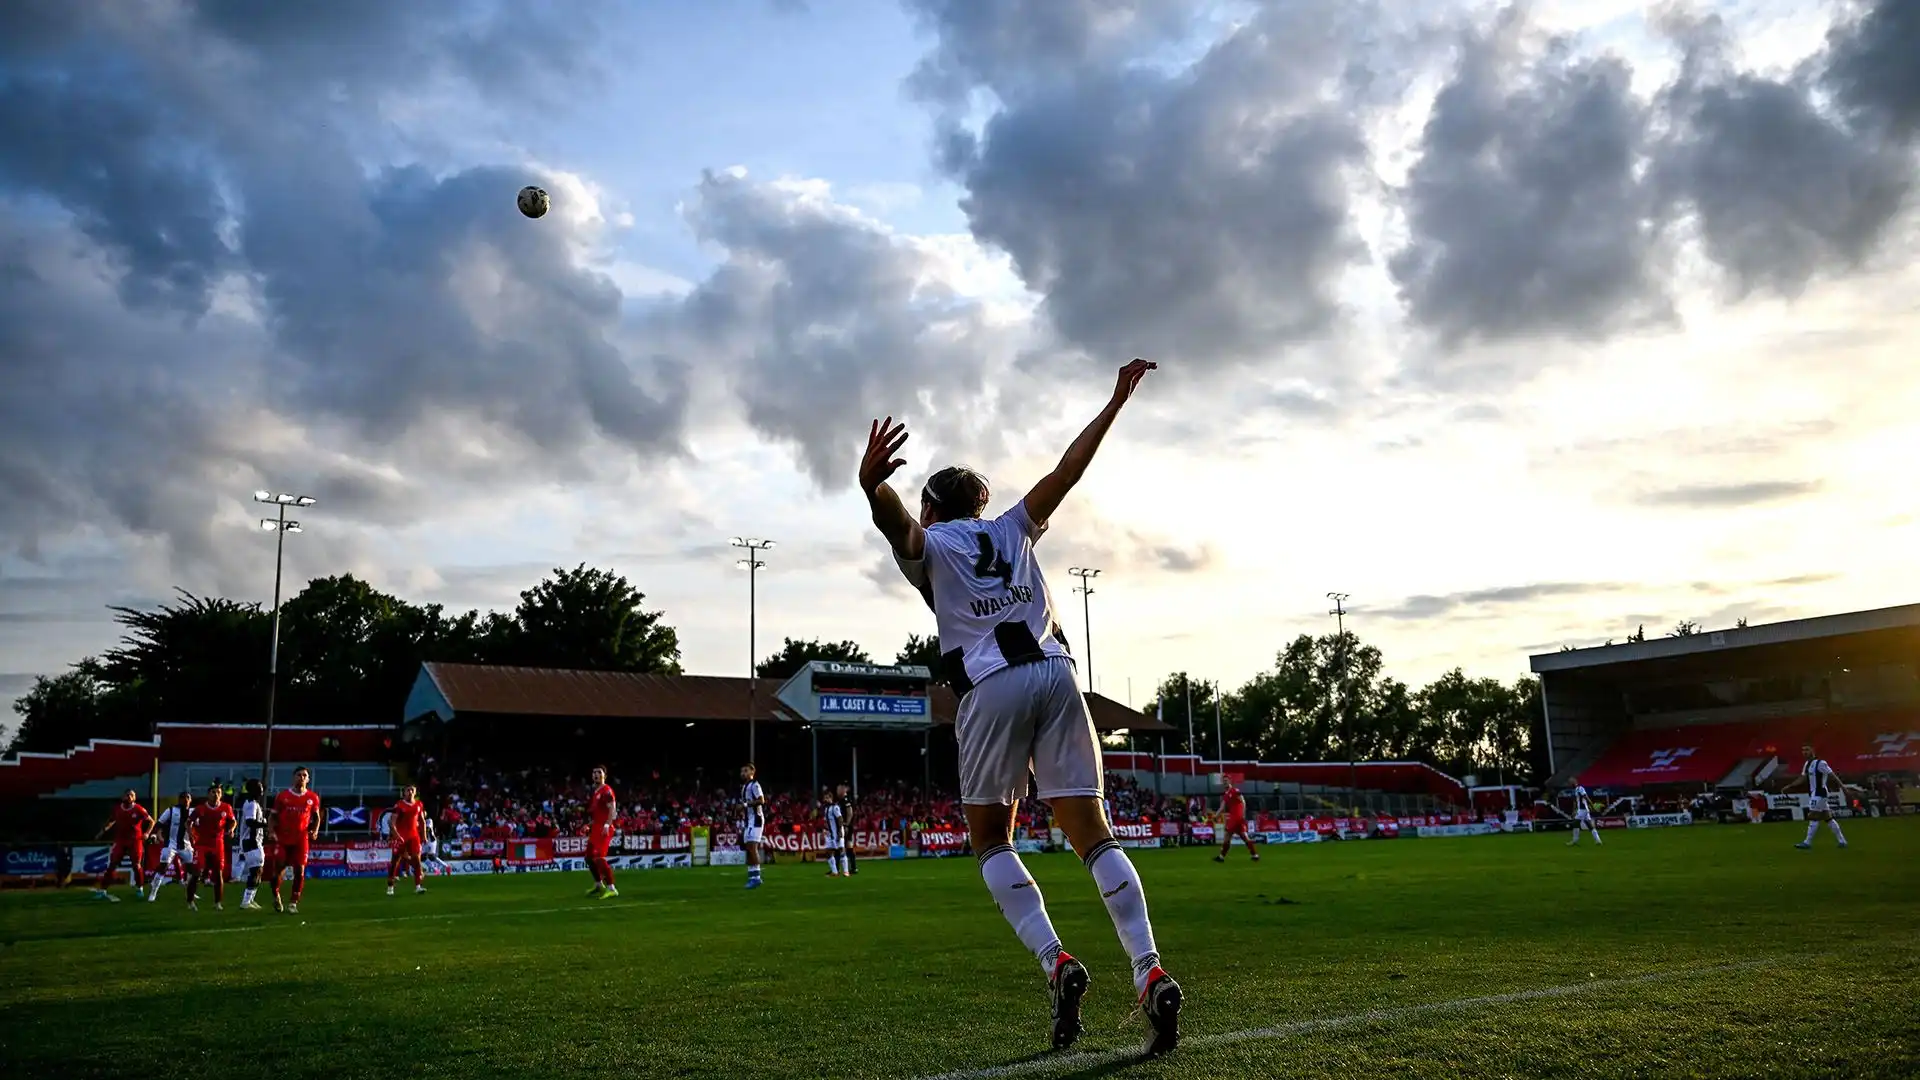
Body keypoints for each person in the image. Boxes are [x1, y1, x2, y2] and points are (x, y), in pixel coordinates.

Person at [859, 358, 1181, 1055]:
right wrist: (1115, 400)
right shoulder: (1012, 527)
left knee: (992, 840)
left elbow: (898, 531)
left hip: (991, 685)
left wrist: (871, 485)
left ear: (933, 507)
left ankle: (1057, 961)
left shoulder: (932, 541)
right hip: (1059, 674)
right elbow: (1067, 473)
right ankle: (1148, 966)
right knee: (1094, 835)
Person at [268, 766, 322, 913]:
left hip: (301, 838)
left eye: (305, 775)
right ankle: (276, 895)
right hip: (283, 837)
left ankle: (293, 902)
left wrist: (315, 830)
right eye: (299, 775)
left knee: (300, 870)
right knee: (278, 870)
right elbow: (273, 816)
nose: (302, 777)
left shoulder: (312, 797)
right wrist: (271, 831)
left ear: (308, 779)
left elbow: (317, 817)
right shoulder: (283, 796)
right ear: (294, 778)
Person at [1786, 743, 1852, 850]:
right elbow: (1802, 778)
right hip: (1814, 793)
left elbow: (1832, 775)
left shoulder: (1821, 763)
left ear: (1813, 750)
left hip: (1819, 793)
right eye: (1803, 750)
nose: (1804, 752)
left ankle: (1807, 842)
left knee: (1813, 816)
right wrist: (1790, 786)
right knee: (1828, 818)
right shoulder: (1807, 764)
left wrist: (1843, 788)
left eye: (1807, 750)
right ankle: (1842, 841)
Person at [95, 788, 153, 901]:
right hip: (121, 840)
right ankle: (103, 890)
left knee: (136, 865)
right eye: (128, 795)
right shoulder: (118, 809)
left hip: (135, 841)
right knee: (112, 865)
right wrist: (102, 831)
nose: (129, 797)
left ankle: (139, 888)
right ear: (123, 797)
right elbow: (111, 820)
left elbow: (151, 821)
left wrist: (146, 833)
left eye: (132, 795)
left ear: (134, 798)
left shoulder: (139, 809)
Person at [186, 783, 236, 911]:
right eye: (213, 792)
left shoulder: (226, 808)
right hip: (202, 843)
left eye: (218, 792)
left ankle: (218, 903)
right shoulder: (200, 809)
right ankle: (190, 901)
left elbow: (232, 821)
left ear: (221, 795)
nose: (216, 794)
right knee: (197, 872)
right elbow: (188, 822)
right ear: (208, 794)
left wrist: (231, 829)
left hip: (217, 843)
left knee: (218, 873)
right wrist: (191, 834)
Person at [147, 791, 197, 901]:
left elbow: (199, 826)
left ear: (191, 800)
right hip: (171, 843)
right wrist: (155, 834)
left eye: (188, 797)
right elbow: (159, 823)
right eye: (183, 798)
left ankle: (190, 892)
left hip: (186, 845)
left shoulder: (194, 812)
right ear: (179, 800)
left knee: (191, 869)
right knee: (163, 867)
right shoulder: (170, 810)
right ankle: (153, 892)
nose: (186, 800)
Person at [386, 784, 428, 896]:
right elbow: (392, 822)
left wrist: (424, 836)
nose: (410, 792)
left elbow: (422, 821)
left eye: (412, 790)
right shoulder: (399, 805)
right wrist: (396, 835)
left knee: (417, 860)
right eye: (407, 790)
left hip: (414, 836)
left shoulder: (419, 804)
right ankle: (390, 887)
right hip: (401, 836)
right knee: (395, 862)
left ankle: (418, 886)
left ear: (415, 792)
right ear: (404, 793)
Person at [584, 766, 619, 899]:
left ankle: (611, 888)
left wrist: (607, 824)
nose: (596, 774)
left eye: (599, 772)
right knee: (588, 857)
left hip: (604, 829)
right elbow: (598, 814)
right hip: (596, 828)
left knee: (599, 858)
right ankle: (599, 884)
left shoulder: (606, 790)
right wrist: (589, 825)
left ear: (605, 775)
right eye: (594, 772)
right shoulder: (596, 792)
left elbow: (612, 810)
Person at [235, 778, 269, 910]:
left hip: (255, 841)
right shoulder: (251, 804)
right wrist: (265, 824)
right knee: (256, 871)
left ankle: (250, 899)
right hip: (251, 841)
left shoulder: (253, 803)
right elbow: (250, 822)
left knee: (258, 871)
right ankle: (246, 901)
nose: (262, 790)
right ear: (253, 789)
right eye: (259, 787)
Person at [1214, 780, 1258, 862]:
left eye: (1226, 781)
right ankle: (1255, 855)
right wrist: (1216, 815)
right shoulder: (1226, 795)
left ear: (1230, 782)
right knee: (1244, 836)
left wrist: (1243, 813)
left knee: (1227, 836)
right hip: (1236, 817)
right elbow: (1222, 807)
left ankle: (1221, 857)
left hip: (1236, 817)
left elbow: (1243, 801)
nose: (1225, 783)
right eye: (1224, 782)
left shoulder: (1235, 790)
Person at [740, 763, 767, 889]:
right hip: (748, 820)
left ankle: (756, 877)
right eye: (742, 771)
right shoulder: (744, 787)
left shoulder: (755, 784)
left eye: (746, 771)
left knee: (752, 847)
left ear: (752, 772)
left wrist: (745, 805)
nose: (743, 773)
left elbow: (761, 800)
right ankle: (752, 876)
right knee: (749, 848)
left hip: (756, 820)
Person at [822, 789, 847, 878]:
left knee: (841, 849)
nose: (825, 800)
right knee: (828, 852)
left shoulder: (835, 807)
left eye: (827, 798)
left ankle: (846, 871)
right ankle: (835, 872)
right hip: (830, 833)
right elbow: (826, 822)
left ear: (831, 798)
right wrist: (824, 831)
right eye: (824, 798)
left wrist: (840, 831)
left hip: (837, 832)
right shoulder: (825, 809)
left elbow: (840, 819)